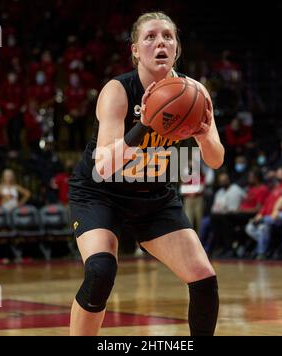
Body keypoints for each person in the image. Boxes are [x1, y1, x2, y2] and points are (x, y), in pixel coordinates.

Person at [68, 12, 224, 336]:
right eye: (150, 37)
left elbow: (216, 160)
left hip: (154, 196)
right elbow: (103, 167)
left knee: (204, 278)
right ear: (136, 50)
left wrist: (205, 135)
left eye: (168, 36)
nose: (160, 43)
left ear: (177, 48)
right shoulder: (117, 91)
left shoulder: (195, 94)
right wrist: (145, 125)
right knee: (100, 271)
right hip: (101, 193)